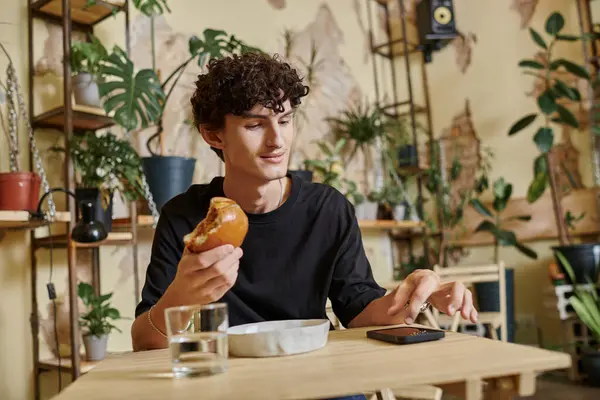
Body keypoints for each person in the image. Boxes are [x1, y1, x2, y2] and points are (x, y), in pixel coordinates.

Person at [131, 52, 477, 398]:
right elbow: (144, 342)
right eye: (254, 125)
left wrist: (417, 295)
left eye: (284, 121)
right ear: (213, 135)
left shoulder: (328, 209)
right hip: (234, 388)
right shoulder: (184, 216)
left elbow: (359, 310)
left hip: (322, 383)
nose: (277, 141)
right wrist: (182, 296)